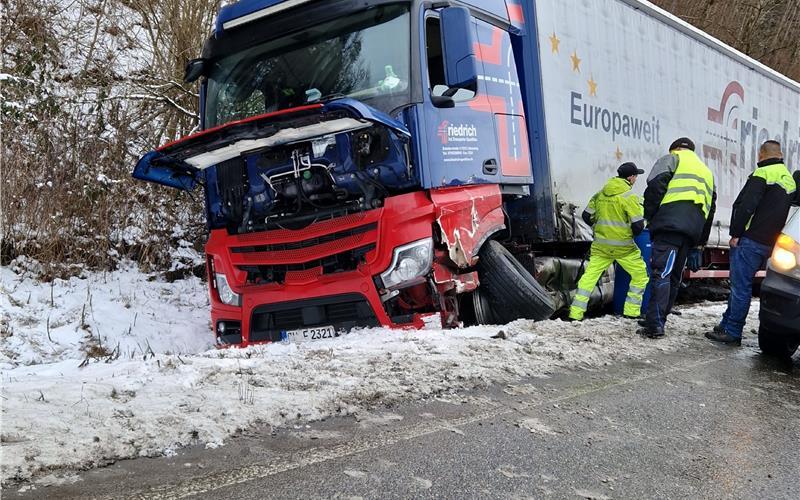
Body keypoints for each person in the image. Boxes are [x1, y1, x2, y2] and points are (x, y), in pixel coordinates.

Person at [706, 140, 797, 345]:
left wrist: (736, 233)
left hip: (750, 239)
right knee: (742, 286)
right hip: (770, 242)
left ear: (762, 154)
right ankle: (726, 323)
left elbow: (747, 206)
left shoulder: (762, 174)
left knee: (740, 287)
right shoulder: (789, 180)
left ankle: (732, 331)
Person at [638, 138, 717, 338]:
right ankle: (658, 318)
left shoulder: (672, 158)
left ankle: (654, 324)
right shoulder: (707, 173)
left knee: (661, 274)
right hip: (691, 231)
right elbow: (710, 210)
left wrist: (651, 217)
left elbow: (655, 187)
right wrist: (700, 243)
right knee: (674, 276)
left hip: (669, 226)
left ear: (674, 148)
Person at [568, 162, 649, 321]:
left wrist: (600, 229)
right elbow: (638, 225)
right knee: (640, 276)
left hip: (601, 247)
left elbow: (585, 216)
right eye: (636, 176)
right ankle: (631, 313)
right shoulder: (630, 196)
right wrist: (627, 234)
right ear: (631, 177)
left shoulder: (600, 194)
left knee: (589, 278)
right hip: (624, 248)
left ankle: (575, 314)